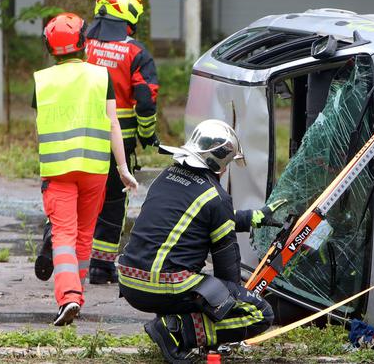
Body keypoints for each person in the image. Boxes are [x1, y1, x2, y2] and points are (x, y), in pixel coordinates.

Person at [118, 119, 283, 363]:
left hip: (130, 282)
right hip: (165, 285)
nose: (226, 170)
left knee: (200, 287)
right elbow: (227, 267)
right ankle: (175, 331)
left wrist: (251, 218)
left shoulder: (165, 177)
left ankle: (174, 326)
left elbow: (195, 218)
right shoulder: (216, 197)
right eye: (227, 164)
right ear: (218, 161)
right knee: (260, 314)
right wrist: (230, 302)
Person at [35, 0, 159, 285]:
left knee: (68, 197)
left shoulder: (80, 45)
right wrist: (147, 134)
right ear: (130, 13)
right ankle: (101, 266)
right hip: (117, 140)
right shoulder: (136, 53)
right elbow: (145, 100)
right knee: (113, 204)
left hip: (72, 135)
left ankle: (55, 237)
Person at [34, 12, 139, 326]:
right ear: (83, 43)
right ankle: (76, 296)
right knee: (84, 234)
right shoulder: (100, 76)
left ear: (51, 49)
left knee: (63, 234)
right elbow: (112, 124)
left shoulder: (42, 80)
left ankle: (69, 297)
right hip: (94, 168)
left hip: (57, 168)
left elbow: (38, 130)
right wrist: (122, 167)